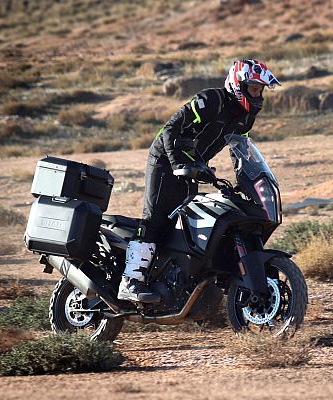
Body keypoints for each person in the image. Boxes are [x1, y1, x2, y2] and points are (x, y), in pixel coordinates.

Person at [117, 59, 281, 303]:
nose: (258, 96)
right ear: (238, 85)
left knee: (184, 223)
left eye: (260, 90)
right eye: (254, 89)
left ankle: (173, 283)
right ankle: (131, 280)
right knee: (156, 218)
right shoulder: (211, 100)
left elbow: (240, 149)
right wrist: (178, 164)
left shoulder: (245, 118)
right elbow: (171, 129)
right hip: (165, 159)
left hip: (194, 166)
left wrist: (246, 181)